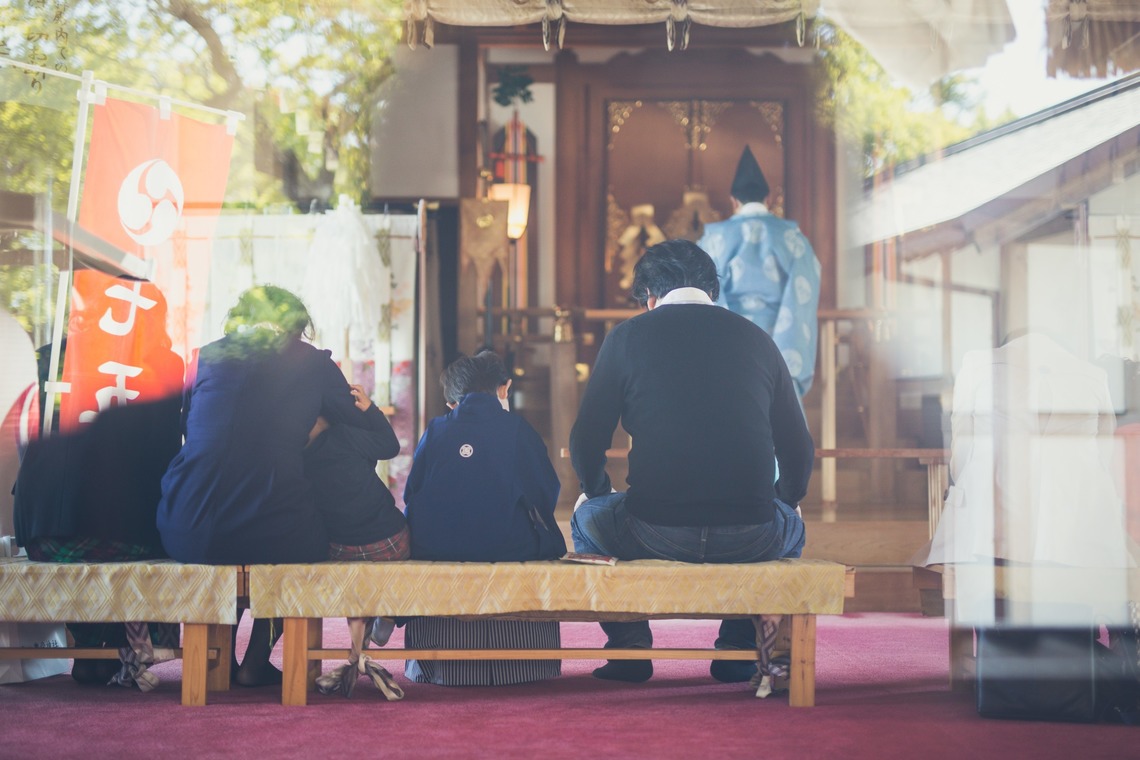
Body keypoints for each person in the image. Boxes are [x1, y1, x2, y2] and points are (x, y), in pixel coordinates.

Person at [569, 239, 813, 684]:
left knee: (588, 518)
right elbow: (799, 449)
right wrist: (780, 501)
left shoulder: (626, 337)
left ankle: (630, 649)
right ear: (712, 291)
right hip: (752, 537)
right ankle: (739, 645)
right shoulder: (757, 339)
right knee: (789, 521)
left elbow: (587, 439)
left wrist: (598, 491)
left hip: (653, 530)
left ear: (648, 297)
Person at [156, 285, 375, 686]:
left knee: (246, 524)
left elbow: (187, 429)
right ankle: (256, 660)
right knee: (296, 542)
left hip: (186, 526)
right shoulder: (313, 362)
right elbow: (355, 420)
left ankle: (215, 658)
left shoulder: (202, 357)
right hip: (276, 533)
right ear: (296, 326)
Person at [402, 350, 565, 686]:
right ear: (502, 389)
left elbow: (411, 494)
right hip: (508, 546)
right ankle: (525, 665)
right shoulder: (518, 429)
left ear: (453, 400)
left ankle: (431, 664)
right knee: (547, 540)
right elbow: (545, 492)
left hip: (437, 547)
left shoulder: (435, 430)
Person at [303, 384, 409, 700]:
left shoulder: (296, 455)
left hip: (340, 550)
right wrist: (371, 409)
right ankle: (388, 613)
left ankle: (356, 648)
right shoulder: (344, 436)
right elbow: (391, 446)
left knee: (355, 577)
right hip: (389, 543)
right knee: (409, 538)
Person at [696, 145, 821, 398]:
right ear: (768, 200)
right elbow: (804, 289)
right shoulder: (792, 238)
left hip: (730, 341)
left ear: (734, 202)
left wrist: (724, 344)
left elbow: (700, 290)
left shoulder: (715, 240)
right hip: (779, 340)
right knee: (782, 418)